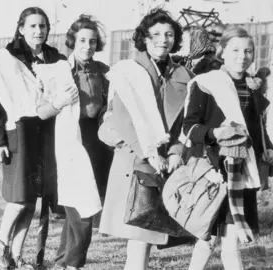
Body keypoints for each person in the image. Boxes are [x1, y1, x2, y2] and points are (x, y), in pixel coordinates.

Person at [98, 8, 193, 270]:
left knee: (149, 232)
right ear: (145, 38)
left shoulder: (183, 75)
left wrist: (175, 152)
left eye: (169, 34)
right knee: (140, 231)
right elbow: (123, 118)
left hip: (169, 160)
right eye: (156, 34)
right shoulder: (128, 70)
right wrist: (150, 152)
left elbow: (187, 120)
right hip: (137, 157)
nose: (163, 39)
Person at [0, 7, 72, 270]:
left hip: (47, 134)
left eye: (43, 26)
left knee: (32, 198)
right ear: (21, 28)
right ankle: (0, 243)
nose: (38, 31)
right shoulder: (5, 58)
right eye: (32, 26)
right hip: (18, 131)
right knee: (20, 196)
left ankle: (17, 255)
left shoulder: (56, 58)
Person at [184, 27, 272, 270]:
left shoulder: (252, 86)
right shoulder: (206, 83)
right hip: (214, 173)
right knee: (208, 237)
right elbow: (189, 128)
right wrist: (215, 133)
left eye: (248, 51)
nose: (242, 56)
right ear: (222, 51)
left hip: (242, 173)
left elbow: (256, 127)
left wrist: (268, 147)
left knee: (227, 240)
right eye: (235, 50)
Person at [42, 14, 111, 270]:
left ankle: (62, 261)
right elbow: (42, 110)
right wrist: (59, 101)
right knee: (83, 207)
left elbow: (107, 106)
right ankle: (74, 264)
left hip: (97, 141)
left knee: (80, 206)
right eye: (82, 40)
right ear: (73, 41)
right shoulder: (60, 69)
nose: (87, 46)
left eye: (92, 41)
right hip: (70, 139)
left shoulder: (103, 71)